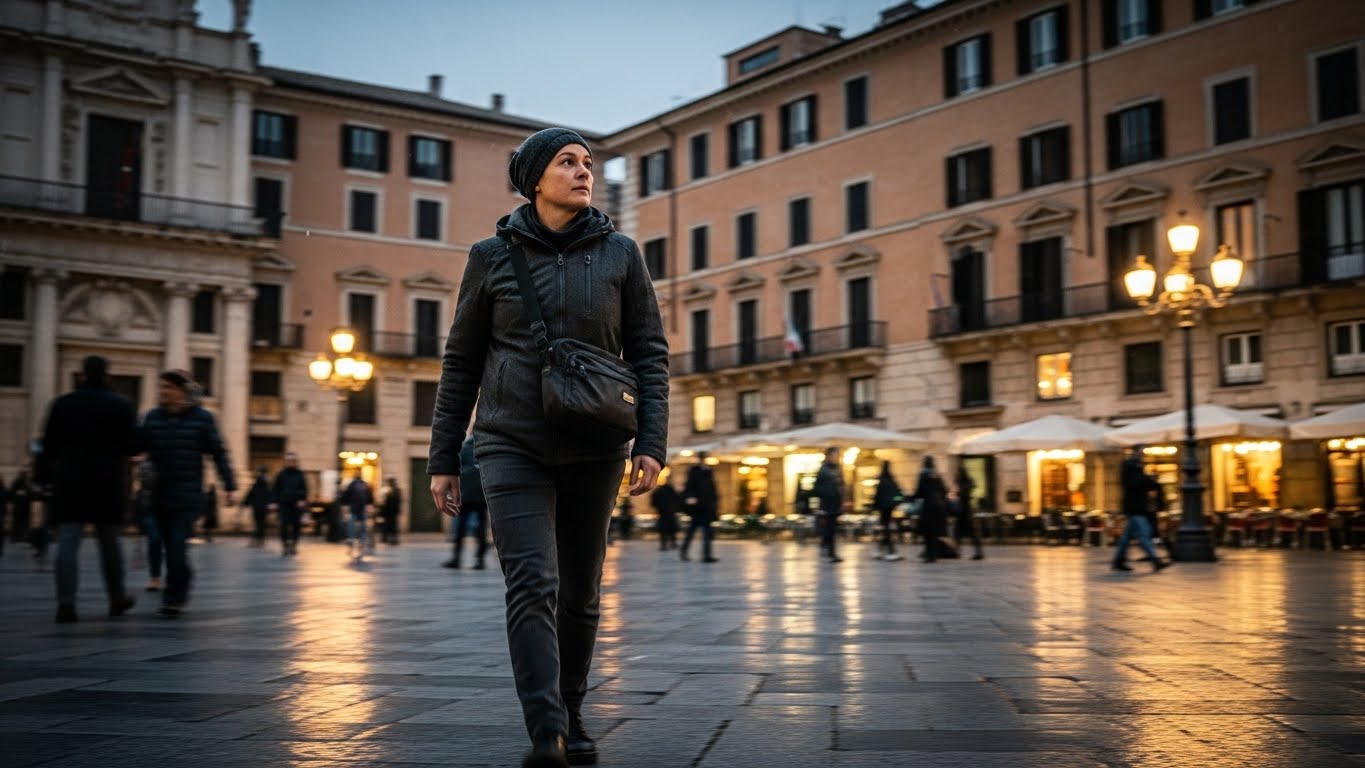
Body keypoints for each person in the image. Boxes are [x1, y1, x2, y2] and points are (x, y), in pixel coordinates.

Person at [426, 127, 668, 768]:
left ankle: (572, 707)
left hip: (596, 444)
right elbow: (462, 361)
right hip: (510, 441)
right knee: (531, 581)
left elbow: (648, 352)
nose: (584, 172)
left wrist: (653, 441)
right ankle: (546, 732)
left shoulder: (621, 254)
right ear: (535, 179)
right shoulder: (490, 256)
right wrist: (444, 455)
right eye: (568, 162)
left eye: (588, 163)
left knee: (581, 592)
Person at [35, 355, 139, 623]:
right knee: (110, 543)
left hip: (70, 481)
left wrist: (42, 479)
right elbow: (132, 446)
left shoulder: (63, 404)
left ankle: (66, 604)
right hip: (108, 482)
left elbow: (46, 447)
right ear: (107, 376)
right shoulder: (121, 405)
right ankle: (116, 598)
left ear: (82, 375)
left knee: (68, 541)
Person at [135, 369, 236, 616]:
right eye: (161, 387)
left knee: (177, 545)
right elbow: (138, 446)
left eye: (168, 387)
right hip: (158, 494)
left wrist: (229, 485)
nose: (163, 392)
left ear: (181, 390)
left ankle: (174, 597)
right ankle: (178, 585)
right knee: (167, 545)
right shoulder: (152, 418)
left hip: (188, 494)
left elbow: (218, 452)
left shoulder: (202, 418)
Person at [1113, 446, 1170, 572]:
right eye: (1140, 452)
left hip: (1136, 507)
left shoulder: (1134, 467)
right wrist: (1148, 479)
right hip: (1136, 507)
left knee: (1127, 537)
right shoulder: (1131, 467)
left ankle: (1118, 561)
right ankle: (1155, 560)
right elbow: (1133, 484)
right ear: (1135, 452)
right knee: (1144, 534)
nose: (1142, 455)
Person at [444, 436, 488, 570]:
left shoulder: (464, 450)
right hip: (482, 496)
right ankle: (480, 560)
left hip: (465, 496)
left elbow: (454, 471)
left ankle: (456, 559)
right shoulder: (486, 448)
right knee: (481, 529)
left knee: (460, 528)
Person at [912, 455, 953, 562]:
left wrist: (911, 498)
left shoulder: (923, 475)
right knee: (935, 531)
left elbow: (919, 492)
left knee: (927, 531)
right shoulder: (937, 475)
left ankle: (929, 554)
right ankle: (933, 554)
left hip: (928, 507)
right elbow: (944, 491)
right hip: (939, 508)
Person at [680, 452, 718, 563]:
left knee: (707, 533)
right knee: (691, 532)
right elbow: (689, 486)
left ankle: (707, 555)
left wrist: (714, 503)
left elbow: (712, 489)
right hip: (698, 508)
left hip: (707, 507)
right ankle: (684, 551)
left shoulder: (709, 471)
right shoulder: (694, 470)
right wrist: (690, 498)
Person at [271, 452, 309, 556]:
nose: (290, 462)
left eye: (292, 460)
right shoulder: (281, 474)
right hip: (284, 504)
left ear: (295, 462)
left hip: (297, 505)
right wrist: (273, 502)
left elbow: (305, 489)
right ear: (286, 462)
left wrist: (302, 500)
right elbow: (275, 489)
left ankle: (293, 545)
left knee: (296, 526)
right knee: (283, 525)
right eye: (288, 460)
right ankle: (285, 545)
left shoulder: (300, 474)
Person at [812, 446, 846, 563]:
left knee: (832, 528)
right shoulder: (824, 470)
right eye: (835, 455)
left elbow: (841, 484)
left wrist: (841, 495)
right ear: (829, 455)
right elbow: (816, 488)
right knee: (830, 528)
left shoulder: (838, 469)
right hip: (827, 503)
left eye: (838, 455)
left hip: (836, 503)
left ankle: (825, 545)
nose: (836, 457)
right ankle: (831, 552)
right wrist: (826, 494)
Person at [872, 460, 903, 561]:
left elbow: (877, 496)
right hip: (889, 509)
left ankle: (882, 550)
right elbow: (898, 494)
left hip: (883, 509)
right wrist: (895, 503)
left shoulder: (881, 480)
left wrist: (875, 506)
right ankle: (889, 551)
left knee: (885, 528)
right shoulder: (891, 480)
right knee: (886, 529)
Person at [339, 474, 374, 560]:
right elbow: (370, 497)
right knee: (363, 527)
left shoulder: (351, 484)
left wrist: (345, 506)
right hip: (362, 509)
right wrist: (369, 506)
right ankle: (362, 542)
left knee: (351, 526)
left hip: (353, 509)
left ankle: (351, 540)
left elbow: (345, 497)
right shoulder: (365, 485)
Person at [953, 465, 985, 560]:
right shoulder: (965, 482)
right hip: (964, 510)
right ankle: (958, 551)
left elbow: (964, 493)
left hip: (965, 510)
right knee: (959, 532)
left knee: (969, 532)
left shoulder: (965, 483)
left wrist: (958, 491)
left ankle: (977, 552)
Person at [650, 474, 681, 551]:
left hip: (663, 512)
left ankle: (664, 545)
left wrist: (658, 508)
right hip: (669, 512)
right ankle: (672, 543)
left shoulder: (660, 490)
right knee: (671, 528)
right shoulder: (670, 489)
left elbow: (653, 501)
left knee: (664, 529)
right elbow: (677, 499)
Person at [243, 467, 272, 548]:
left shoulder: (258, 483)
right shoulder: (266, 484)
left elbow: (250, 494)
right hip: (261, 507)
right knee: (260, 525)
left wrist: (246, 503)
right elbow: (251, 494)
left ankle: (257, 541)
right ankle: (260, 541)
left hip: (258, 507)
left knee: (258, 525)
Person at [380, 478, 402, 545]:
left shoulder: (389, 491)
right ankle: (392, 539)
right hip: (393, 511)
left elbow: (385, 502)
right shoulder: (396, 491)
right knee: (393, 525)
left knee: (389, 525)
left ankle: (388, 539)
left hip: (389, 512)